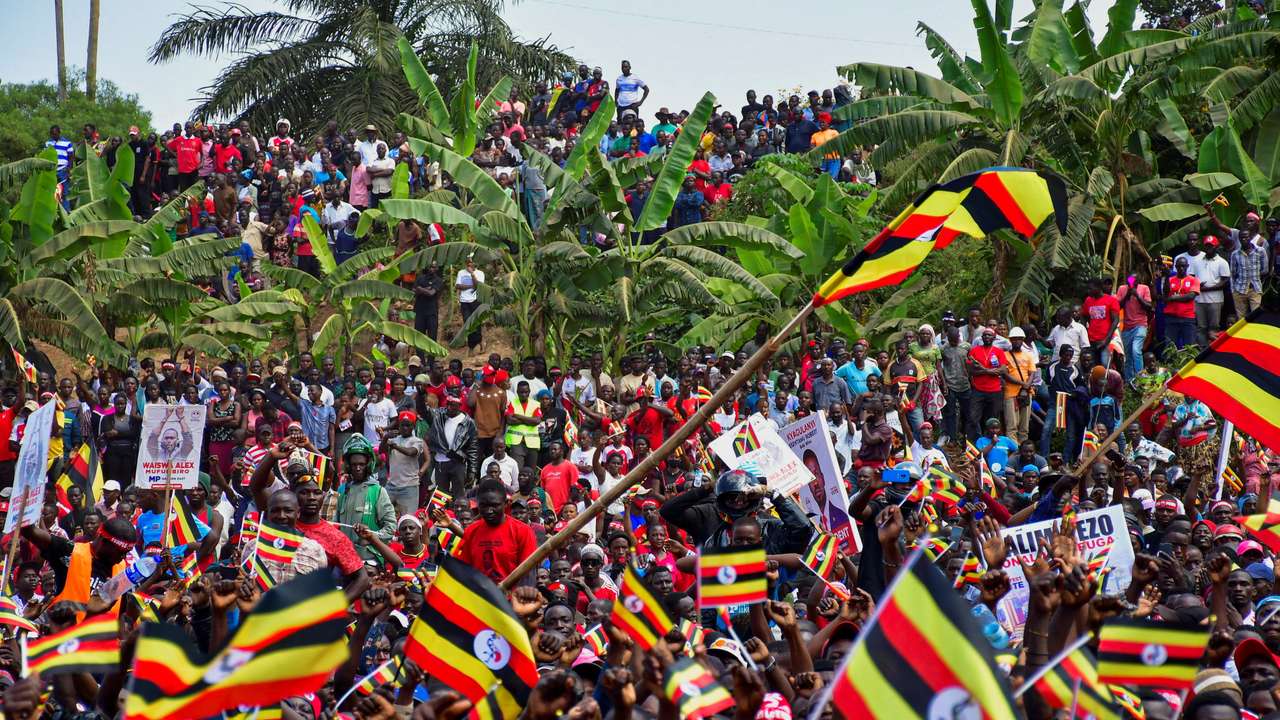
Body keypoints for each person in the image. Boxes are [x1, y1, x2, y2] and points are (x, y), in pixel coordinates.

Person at [966, 328, 1007, 440]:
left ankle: (990, 443)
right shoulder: (975, 351)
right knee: (973, 418)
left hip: (995, 391)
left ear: (994, 338)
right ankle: (973, 444)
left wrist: (982, 369)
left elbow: (1003, 370)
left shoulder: (999, 352)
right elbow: (971, 370)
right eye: (985, 335)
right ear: (982, 337)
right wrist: (989, 371)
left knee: (992, 420)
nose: (987, 337)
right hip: (978, 390)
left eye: (989, 335)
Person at [1190, 236, 1231, 346]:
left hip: (1215, 300)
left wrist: (1206, 289)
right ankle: (1201, 350)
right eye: (1207, 246)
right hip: (1199, 300)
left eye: (1211, 246)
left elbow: (1225, 282)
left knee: (1214, 328)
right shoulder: (1197, 261)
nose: (1209, 248)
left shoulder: (1222, 262)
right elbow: (1191, 278)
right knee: (1201, 327)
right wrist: (1197, 287)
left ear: (1216, 246)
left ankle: (1214, 351)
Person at [1161, 255, 1200, 349]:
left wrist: (1174, 298)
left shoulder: (1193, 280)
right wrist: (1167, 276)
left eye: (1183, 266)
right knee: (1170, 347)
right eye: (1178, 266)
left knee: (1189, 347)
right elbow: (1165, 295)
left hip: (1188, 318)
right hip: (1171, 317)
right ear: (1175, 267)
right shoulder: (1170, 280)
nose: (1181, 268)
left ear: (1187, 266)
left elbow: (1191, 296)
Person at [1081, 278, 1120, 369]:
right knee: (1091, 366)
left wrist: (1106, 340)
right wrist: (1085, 331)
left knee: (1105, 365)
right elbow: (1084, 315)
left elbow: (1115, 320)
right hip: (1091, 340)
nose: (1088, 291)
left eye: (1090, 289)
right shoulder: (1088, 300)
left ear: (1098, 288)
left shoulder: (1111, 300)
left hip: (1105, 340)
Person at [455, 255, 485, 350]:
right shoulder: (461, 272)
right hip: (464, 301)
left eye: (471, 262)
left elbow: (478, 286)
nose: (469, 264)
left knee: (476, 322)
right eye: (467, 262)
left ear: (475, 263)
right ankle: (472, 345)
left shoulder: (480, 273)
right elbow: (458, 286)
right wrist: (470, 286)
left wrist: (472, 274)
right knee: (467, 322)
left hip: (476, 300)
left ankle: (479, 342)